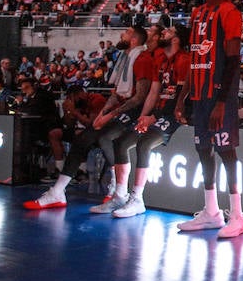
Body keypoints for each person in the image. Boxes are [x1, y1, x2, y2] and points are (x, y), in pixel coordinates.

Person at [23, 26, 158, 210]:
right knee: (83, 139)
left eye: (126, 32)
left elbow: (140, 97)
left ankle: (117, 190)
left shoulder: (141, 59)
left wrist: (110, 114)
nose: (121, 34)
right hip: (122, 110)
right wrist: (103, 113)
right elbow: (116, 94)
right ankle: (58, 191)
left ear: (134, 39)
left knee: (104, 138)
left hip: (135, 112)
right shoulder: (125, 58)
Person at [174, 0, 243, 238]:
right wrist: (182, 97)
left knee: (226, 152)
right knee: (204, 150)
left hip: (219, 97)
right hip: (199, 96)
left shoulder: (229, 12)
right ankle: (211, 211)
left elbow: (232, 60)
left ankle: (238, 215)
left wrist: (222, 101)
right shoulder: (197, 13)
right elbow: (195, 59)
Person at [111, 23, 191, 218]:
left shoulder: (184, 59)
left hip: (173, 114)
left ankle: (137, 199)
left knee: (144, 143)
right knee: (122, 142)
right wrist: (143, 116)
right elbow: (154, 92)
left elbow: (180, 96)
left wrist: (153, 117)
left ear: (176, 39)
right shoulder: (161, 59)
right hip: (158, 112)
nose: (164, 32)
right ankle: (119, 195)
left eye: (169, 32)